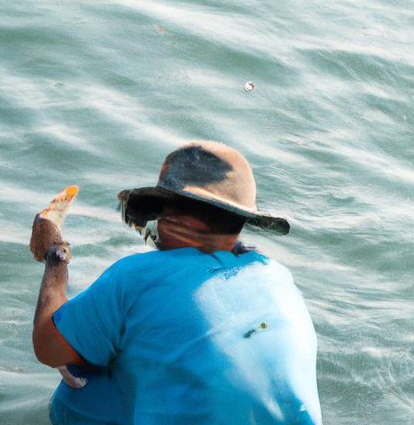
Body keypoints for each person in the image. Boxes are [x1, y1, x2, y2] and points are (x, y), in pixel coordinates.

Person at [30, 141, 322, 425]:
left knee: (81, 372)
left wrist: (55, 256)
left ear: (171, 220)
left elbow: (46, 347)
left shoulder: (136, 275)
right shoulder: (277, 276)